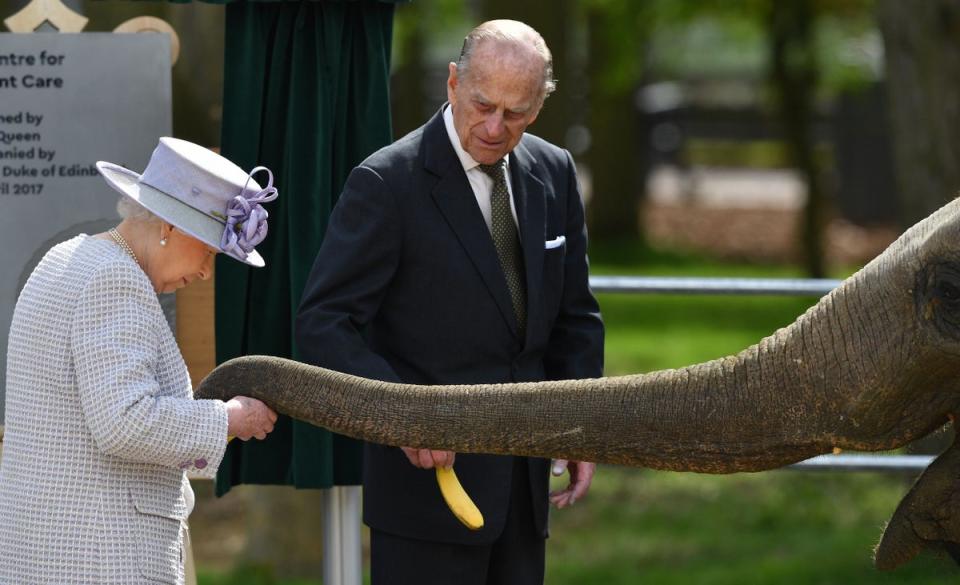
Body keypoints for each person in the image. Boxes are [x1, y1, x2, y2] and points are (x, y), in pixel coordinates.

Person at [296, 19, 604, 584]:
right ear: (454, 83)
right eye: (483, 104)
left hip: (524, 489)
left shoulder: (555, 171)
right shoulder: (386, 182)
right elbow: (323, 324)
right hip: (424, 498)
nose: (494, 126)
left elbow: (575, 318)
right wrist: (402, 416)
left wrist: (580, 428)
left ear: (539, 106)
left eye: (515, 114)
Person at [0, 137, 279, 585]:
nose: (207, 271)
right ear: (170, 226)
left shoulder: (64, 258)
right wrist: (228, 419)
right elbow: (126, 421)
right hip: (102, 559)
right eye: (209, 250)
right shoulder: (115, 277)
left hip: (47, 554)